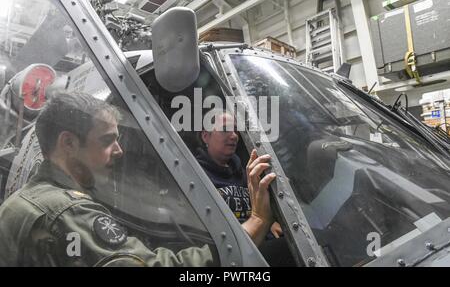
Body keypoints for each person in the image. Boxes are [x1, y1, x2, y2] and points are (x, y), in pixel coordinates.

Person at [0, 93, 276, 266]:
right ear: (69, 143)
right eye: (108, 140)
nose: (120, 151)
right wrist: (256, 223)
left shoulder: (27, 200)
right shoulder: (67, 212)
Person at [196, 109, 282, 235]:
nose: (234, 136)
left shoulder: (244, 172)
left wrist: (271, 223)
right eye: (225, 129)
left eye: (235, 130)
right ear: (205, 136)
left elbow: (258, 207)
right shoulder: (196, 174)